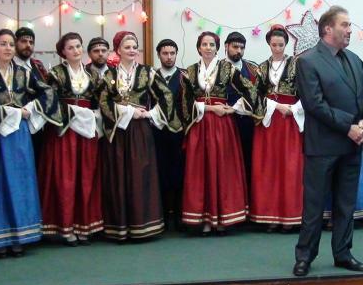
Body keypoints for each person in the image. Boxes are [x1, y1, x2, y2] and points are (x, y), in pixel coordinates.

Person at [293, 5, 363, 277]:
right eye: (345, 25)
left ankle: (343, 253)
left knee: (345, 204)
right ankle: (305, 256)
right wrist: (349, 126)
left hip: (352, 144)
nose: (350, 30)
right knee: (314, 205)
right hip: (323, 146)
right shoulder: (307, 61)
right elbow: (314, 104)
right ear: (328, 28)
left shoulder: (354, 59)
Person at [0, 29, 61, 257]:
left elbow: (48, 92)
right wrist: (13, 113)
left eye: (11, 44)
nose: (8, 48)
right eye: (3, 44)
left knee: (20, 182)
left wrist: (32, 108)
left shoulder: (23, 72)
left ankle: (20, 236)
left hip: (18, 136)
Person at [179, 31, 258, 235]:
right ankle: (205, 219)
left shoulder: (227, 68)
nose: (208, 48)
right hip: (199, 125)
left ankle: (223, 217)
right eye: (204, 44)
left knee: (223, 168)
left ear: (217, 48)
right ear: (198, 48)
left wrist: (234, 108)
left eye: (212, 44)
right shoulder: (189, 71)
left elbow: (251, 90)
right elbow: (185, 103)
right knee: (201, 170)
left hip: (222, 126)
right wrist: (209, 108)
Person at [98, 31, 174, 242]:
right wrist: (128, 112)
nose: (132, 51)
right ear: (118, 50)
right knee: (119, 175)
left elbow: (166, 96)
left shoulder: (147, 72)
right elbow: (103, 102)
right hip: (119, 131)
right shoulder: (109, 75)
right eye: (127, 47)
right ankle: (120, 227)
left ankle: (143, 224)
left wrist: (151, 114)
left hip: (140, 131)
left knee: (141, 174)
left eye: (134, 47)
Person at [38, 33, 104, 246]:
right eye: (71, 47)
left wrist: (93, 116)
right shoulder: (55, 73)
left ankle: (84, 225)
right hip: (64, 130)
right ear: (63, 52)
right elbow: (49, 101)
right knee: (65, 178)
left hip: (86, 131)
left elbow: (99, 102)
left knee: (86, 177)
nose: (76, 51)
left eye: (78, 46)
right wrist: (72, 113)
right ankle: (66, 228)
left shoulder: (93, 74)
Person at [249, 25, 304, 232]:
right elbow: (255, 95)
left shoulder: (297, 65)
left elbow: (308, 91)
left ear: (286, 44)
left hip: (291, 120)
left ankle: (290, 216)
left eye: (281, 44)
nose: (278, 48)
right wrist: (275, 106)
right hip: (269, 121)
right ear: (269, 44)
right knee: (269, 166)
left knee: (290, 167)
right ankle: (270, 215)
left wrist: (294, 109)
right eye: (274, 45)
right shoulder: (262, 68)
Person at [153, 38, 188, 231]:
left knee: (179, 172)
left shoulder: (185, 76)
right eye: (165, 53)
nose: (169, 57)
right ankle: (163, 215)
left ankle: (180, 215)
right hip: (157, 132)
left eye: (172, 53)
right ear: (159, 55)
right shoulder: (151, 76)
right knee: (160, 172)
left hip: (180, 132)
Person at [224, 31, 260, 196]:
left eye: (242, 48)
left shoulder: (253, 68)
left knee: (249, 159)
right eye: (235, 47)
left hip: (248, 121)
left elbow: (258, 93)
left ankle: (249, 200)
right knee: (228, 161)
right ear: (226, 46)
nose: (238, 51)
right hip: (226, 121)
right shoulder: (217, 68)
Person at [13, 27, 49, 162]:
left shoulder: (38, 65)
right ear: (15, 43)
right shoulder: (9, 65)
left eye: (31, 42)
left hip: (37, 121)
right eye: (23, 41)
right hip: (16, 121)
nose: (28, 45)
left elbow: (47, 90)